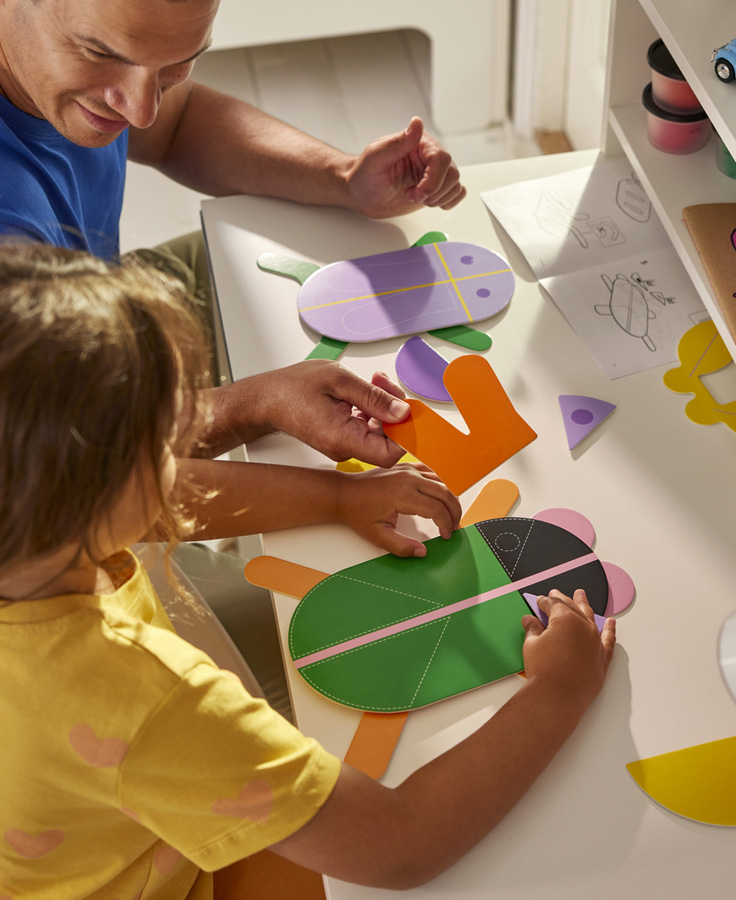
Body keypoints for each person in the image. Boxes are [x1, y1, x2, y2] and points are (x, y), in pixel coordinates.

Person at [0, 242, 618, 898]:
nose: (186, 445)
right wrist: (559, 690)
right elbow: (399, 844)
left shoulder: (28, 535)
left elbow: (150, 500)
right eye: (162, 441)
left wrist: (336, 496)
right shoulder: (145, 700)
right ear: (92, 497)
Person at [0, 0, 473, 713]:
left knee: (267, 263)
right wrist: (279, 434)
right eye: (102, 55)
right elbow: (86, 487)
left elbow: (178, 122)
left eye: (174, 66)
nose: (141, 108)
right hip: (39, 535)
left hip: (81, 335)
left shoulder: (105, 76)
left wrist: (341, 176)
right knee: (342, 641)